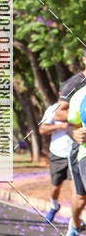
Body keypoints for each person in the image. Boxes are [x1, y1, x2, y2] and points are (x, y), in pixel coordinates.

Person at [55, 50, 86, 236]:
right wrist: (77, 128)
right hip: (79, 144)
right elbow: (58, 114)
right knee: (81, 198)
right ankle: (74, 222)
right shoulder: (74, 85)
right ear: (84, 59)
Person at [38, 95, 73, 223]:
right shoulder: (53, 109)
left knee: (77, 190)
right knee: (55, 187)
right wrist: (59, 126)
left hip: (74, 154)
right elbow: (42, 129)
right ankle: (54, 205)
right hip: (58, 154)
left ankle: (75, 219)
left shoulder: (79, 107)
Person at [65, 82, 86, 236]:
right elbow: (72, 125)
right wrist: (76, 132)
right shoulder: (80, 95)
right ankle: (75, 222)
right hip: (84, 153)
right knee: (80, 198)